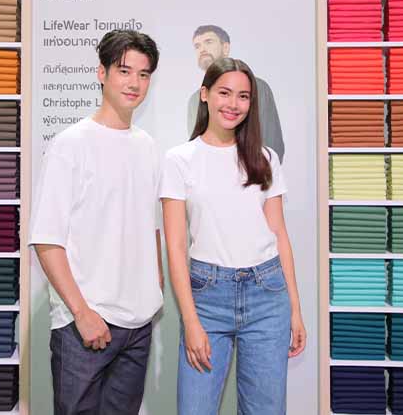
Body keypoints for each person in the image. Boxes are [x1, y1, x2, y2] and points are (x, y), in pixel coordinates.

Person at [28, 29, 164, 415]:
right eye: (124, 71)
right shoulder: (70, 144)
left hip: (137, 323)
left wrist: (155, 285)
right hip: (84, 323)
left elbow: (150, 224)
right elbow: (47, 240)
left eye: (143, 74)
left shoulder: (148, 146)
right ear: (102, 73)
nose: (134, 82)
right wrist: (82, 313)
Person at [161, 57, 306, 415]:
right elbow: (176, 248)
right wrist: (191, 321)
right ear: (205, 94)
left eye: (243, 96)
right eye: (224, 93)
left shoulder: (265, 158)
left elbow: (279, 234)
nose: (233, 104)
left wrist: (295, 310)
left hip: (267, 294)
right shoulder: (179, 160)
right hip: (207, 298)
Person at [186, 25, 285, 161]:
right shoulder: (194, 100)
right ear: (205, 94)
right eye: (197, 46)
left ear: (225, 47)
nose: (202, 49)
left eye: (208, 42)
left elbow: (273, 147)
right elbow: (197, 149)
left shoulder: (258, 87)